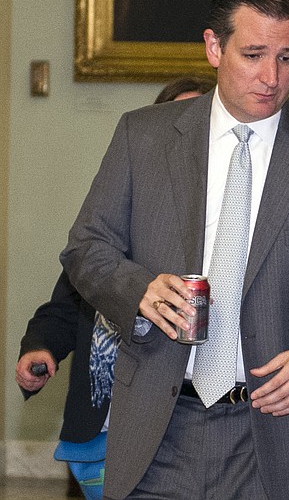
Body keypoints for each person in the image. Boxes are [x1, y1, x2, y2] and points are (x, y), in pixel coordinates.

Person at [60, 0, 289, 500]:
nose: (271, 77)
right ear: (214, 47)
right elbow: (86, 249)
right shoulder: (142, 137)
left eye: (287, 58)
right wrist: (138, 290)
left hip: (283, 436)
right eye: (254, 54)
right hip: (160, 425)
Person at [15, 76, 216, 500]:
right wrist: (41, 348)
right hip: (98, 432)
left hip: (175, 430)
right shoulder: (110, 233)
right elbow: (64, 306)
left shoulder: (218, 242)